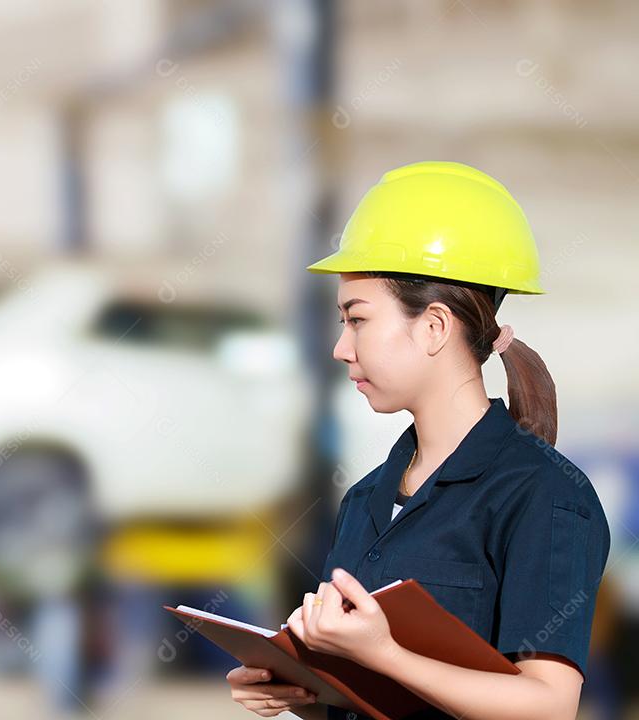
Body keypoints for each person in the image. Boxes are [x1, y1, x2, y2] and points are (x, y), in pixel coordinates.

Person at [227, 161, 611, 720]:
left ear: (433, 326)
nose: (341, 347)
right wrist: (297, 690)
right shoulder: (365, 501)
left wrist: (385, 654)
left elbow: (547, 706)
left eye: (356, 320)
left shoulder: (545, 496)